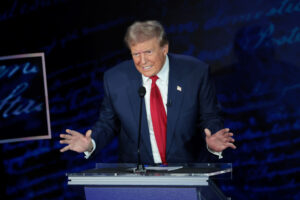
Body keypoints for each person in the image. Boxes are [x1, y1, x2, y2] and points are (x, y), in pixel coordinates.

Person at [60, 20, 236, 164]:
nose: (142, 61)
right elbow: (107, 123)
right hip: (139, 175)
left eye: (148, 52)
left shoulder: (195, 73)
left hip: (188, 170)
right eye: (136, 54)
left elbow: (210, 116)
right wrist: (91, 143)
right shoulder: (115, 79)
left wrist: (213, 141)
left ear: (164, 48)